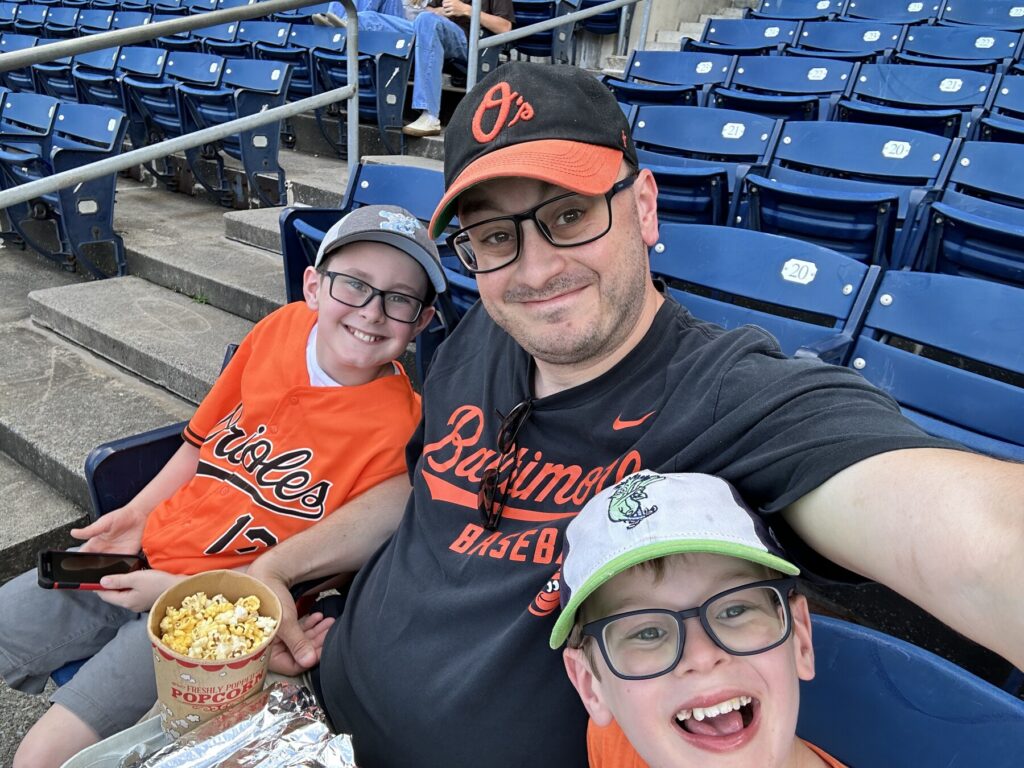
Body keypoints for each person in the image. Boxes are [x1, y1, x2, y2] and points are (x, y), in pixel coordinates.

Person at [248, 62, 1024, 768]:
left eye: (570, 214)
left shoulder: (731, 397)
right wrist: (275, 571)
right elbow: (422, 494)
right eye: (494, 237)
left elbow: (980, 540)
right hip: (308, 715)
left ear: (643, 207)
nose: (537, 267)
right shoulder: (482, 331)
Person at [0, 204, 446, 768]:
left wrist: (171, 591)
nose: (373, 312)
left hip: (218, 611)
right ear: (313, 286)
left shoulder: (404, 429)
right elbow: (197, 443)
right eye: (353, 284)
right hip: (140, 554)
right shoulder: (279, 330)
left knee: (38, 756)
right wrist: (135, 515)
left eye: (400, 299)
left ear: (423, 322)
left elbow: (329, 567)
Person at [554, 471, 844, 768]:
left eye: (734, 610)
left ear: (800, 639)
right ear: (591, 685)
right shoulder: (614, 744)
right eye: (648, 633)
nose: (702, 656)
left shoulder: (636, 720)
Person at [350, 0, 514, 137]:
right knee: (366, 18)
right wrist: (440, 11)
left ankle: (430, 116)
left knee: (426, 20)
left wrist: (466, 10)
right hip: (431, 30)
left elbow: (505, 27)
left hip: (470, 41)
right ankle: (338, 32)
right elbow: (428, 8)